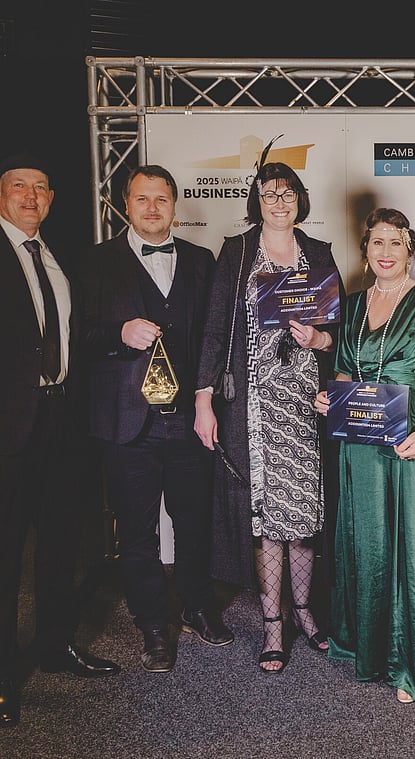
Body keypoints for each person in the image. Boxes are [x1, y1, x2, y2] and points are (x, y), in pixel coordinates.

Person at [80, 164, 233, 674]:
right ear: (125, 205)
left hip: (189, 419)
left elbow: (214, 337)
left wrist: (208, 401)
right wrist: (119, 333)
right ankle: (151, 625)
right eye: (142, 199)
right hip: (128, 424)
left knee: (194, 522)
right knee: (138, 533)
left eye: (161, 199)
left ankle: (196, 607)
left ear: (174, 206)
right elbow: (77, 337)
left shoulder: (200, 260)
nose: (152, 208)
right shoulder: (95, 261)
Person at [195, 159, 345, 673]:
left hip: (305, 404)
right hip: (254, 406)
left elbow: (339, 331)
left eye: (288, 194)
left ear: (300, 200)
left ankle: (304, 610)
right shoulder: (238, 252)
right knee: (266, 517)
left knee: (302, 514)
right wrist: (203, 399)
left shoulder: (318, 252)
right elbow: (215, 328)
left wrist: (320, 339)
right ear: (256, 202)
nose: (280, 203)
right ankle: (273, 624)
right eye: (269, 194)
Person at [315, 207, 415, 704]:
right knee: (370, 541)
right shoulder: (353, 304)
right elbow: (343, 371)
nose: (385, 252)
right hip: (361, 443)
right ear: (365, 251)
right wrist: (329, 398)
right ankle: (373, 650)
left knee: (412, 543)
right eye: (376, 242)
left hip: (414, 439)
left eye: (395, 243)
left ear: (410, 251)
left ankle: (410, 662)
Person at [0, 151, 120, 728]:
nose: (31, 196)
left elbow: (75, 335)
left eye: (41, 188)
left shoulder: (57, 256)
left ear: (50, 200)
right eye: (19, 186)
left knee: (60, 545)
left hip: (62, 421)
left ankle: (54, 644)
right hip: (9, 427)